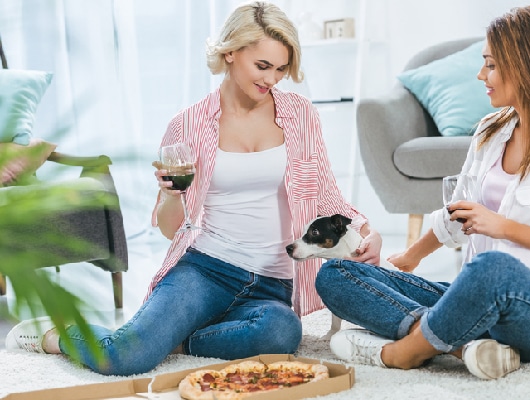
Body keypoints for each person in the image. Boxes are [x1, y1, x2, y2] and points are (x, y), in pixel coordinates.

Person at [4, 1, 385, 375]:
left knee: (282, 332)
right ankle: (54, 334)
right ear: (231, 52)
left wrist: (369, 232)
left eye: (281, 69)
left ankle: (180, 342)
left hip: (273, 282)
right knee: (125, 357)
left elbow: (326, 193)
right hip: (205, 270)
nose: (272, 79)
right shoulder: (187, 124)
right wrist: (171, 195)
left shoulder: (300, 115)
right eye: (263, 66)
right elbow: (172, 227)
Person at [315, 5, 530, 380]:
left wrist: (503, 227)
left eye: (492, 65)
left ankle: (405, 352)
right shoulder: (489, 132)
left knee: (492, 271)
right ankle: (464, 344)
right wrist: (409, 259)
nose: (481, 74)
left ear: (527, 65)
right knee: (338, 273)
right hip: (477, 296)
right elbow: (458, 214)